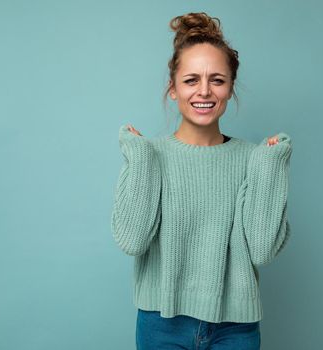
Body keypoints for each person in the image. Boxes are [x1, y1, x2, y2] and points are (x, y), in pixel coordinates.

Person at [110, 12, 293, 350]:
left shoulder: (253, 159)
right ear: (173, 89)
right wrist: (140, 157)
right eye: (191, 79)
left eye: (217, 80)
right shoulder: (151, 155)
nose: (204, 91)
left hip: (235, 329)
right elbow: (132, 241)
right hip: (161, 324)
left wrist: (269, 166)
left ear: (230, 87)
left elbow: (263, 251)